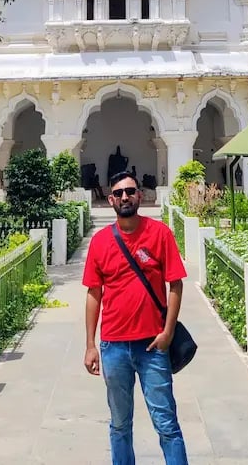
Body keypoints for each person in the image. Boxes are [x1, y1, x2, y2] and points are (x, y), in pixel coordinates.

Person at [83, 171, 189, 465]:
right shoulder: (101, 241)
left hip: (152, 345)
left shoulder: (159, 233)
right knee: (119, 425)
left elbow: (176, 283)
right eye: (119, 193)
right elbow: (94, 294)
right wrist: (90, 344)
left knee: (166, 424)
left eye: (130, 191)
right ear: (110, 199)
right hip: (114, 346)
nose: (125, 197)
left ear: (140, 195)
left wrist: (167, 333)